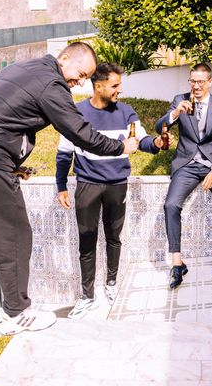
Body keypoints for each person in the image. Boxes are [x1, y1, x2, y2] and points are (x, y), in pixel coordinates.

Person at [0, 43, 139, 336]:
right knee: (15, 235)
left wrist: (13, 162)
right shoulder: (52, 83)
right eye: (79, 73)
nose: (79, 82)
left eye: (85, 78)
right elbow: (80, 132)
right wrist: (119, 146)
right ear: (64, 58)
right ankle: (16, 312)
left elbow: (3, 119)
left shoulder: (22, 68)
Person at [56, 62, 172, 318]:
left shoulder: (126, 112)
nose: (119, 90)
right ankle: (87, 296)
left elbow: (141, 140)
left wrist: (157, 142)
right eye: (115, 85)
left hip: (117, 185)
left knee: (113, 237)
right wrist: (61, 185)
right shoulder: (76, 113)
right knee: (86, 241)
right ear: (98, 86)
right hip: (87, 184)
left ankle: (111, 283)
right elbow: (64, 152)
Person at [156, 63, 212, 289]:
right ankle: (177, 263)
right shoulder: (179, 99)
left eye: (201, 81)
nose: (196, 86)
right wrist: (175, 113)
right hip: (187, 164)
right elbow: (159, 127)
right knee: (171, 205)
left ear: (210, 82)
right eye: (193, 81)